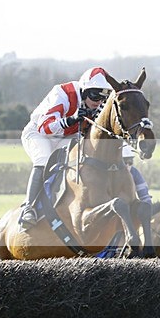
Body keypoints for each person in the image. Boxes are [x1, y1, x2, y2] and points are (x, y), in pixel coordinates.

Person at [19, 67, 113, 226]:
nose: (98, 102)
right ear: (83, 91)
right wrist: (72, 119)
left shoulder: (98, 105)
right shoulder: (63, 93)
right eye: (95, 95)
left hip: (65, 136)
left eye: (103, 97)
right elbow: (45, 128)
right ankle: (28, 207)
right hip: (38, 133)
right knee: (44, 159)